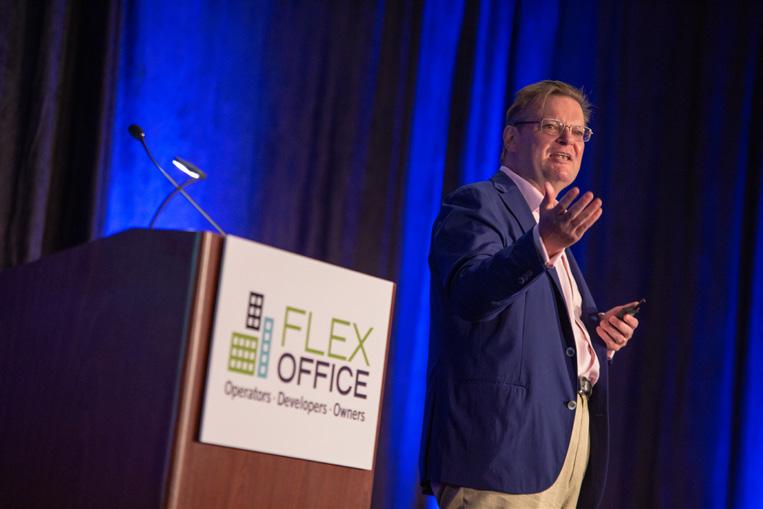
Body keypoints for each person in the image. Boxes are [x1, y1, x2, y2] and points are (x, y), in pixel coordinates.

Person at [419, 80, 640, 509]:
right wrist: (543, 244)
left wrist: (596, 333)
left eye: (578, 132)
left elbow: (532, 328)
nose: (568, 140)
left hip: (562, 448)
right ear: (511, 137)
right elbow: (471, 294)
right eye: (552, 125)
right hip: (499, 448)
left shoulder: (551, 227)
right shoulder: (478, 204)